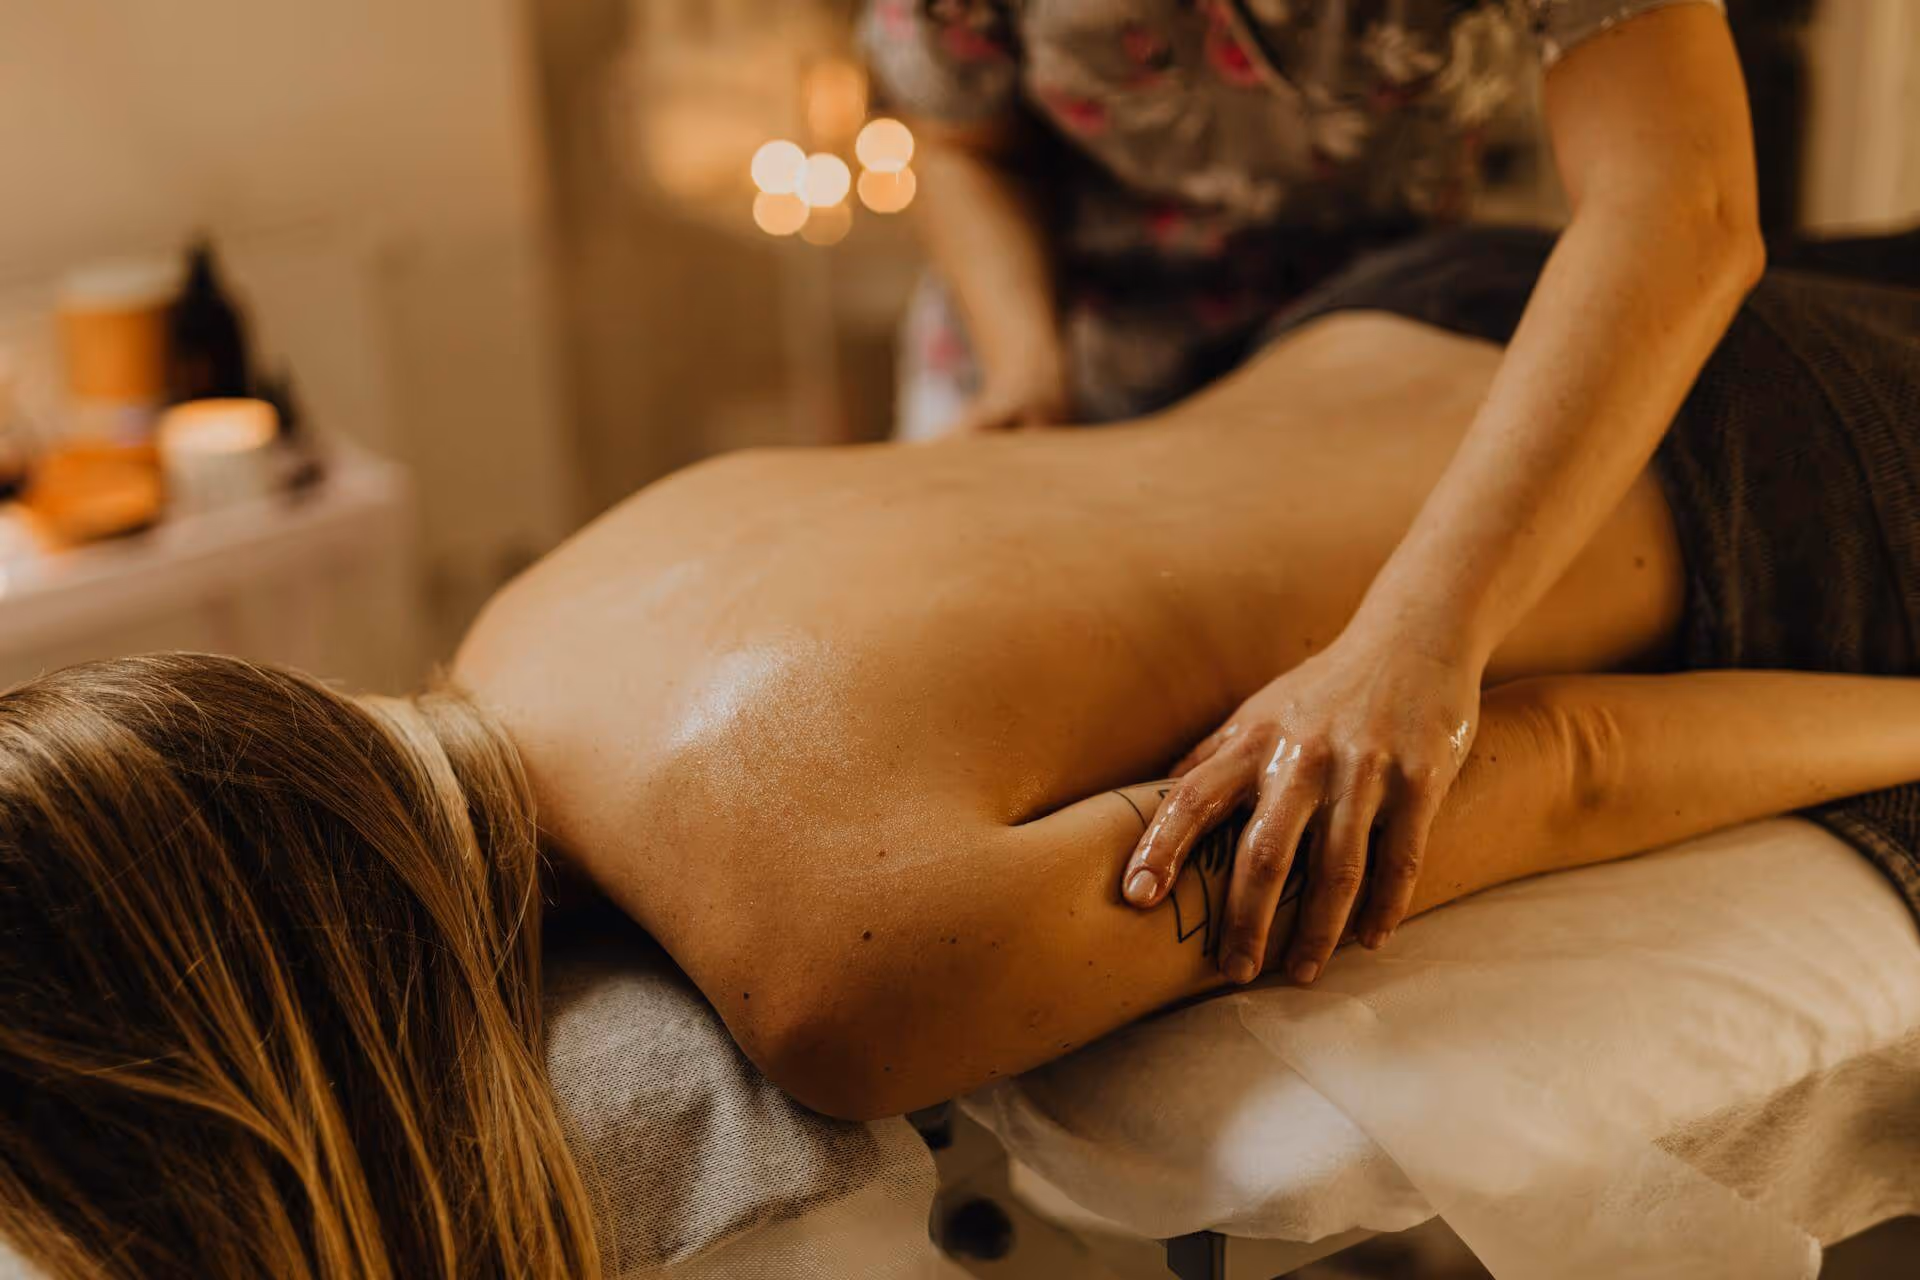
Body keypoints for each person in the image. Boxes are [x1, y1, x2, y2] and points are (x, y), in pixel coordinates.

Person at [4, 231, 1918, 1278]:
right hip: (1441, 309)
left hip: (1754, 479)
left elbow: (1558, 754)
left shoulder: (841, 974)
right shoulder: (546, 603)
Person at [869, 0, 1768, 991]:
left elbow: (1682, 205)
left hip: (1365, 356)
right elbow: (958, 145)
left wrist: (1421, 636)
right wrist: (1029, 376)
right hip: (1046, 350)